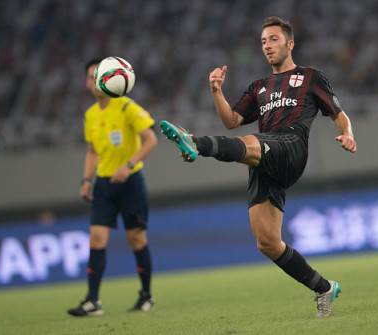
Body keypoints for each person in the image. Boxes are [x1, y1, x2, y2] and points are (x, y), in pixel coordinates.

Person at [159, 16, 357, 317]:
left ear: (290, 43)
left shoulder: (310, 77)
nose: (267, 46)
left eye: (274, 39)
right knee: (267, 242)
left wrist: (347, 133)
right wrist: (216, 91)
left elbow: (338, 114)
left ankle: (195, 143)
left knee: (249, 141)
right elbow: (231, 121)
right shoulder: (259, 87)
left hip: (291, 147)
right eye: (263, 41)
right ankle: (324, 288)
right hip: (264, 158)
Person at [68, 58, 158, 317]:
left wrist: (128, 166)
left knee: (136, 239)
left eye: (95, 75)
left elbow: (151, 140)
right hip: (104, 185)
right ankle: (92, 301)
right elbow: (92, 152)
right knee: (96, 239)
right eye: (88, 77)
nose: (91, 81)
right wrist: (87, 180)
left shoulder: (127, 106)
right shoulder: (90, 114)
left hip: (131, 183)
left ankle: (146, 296)